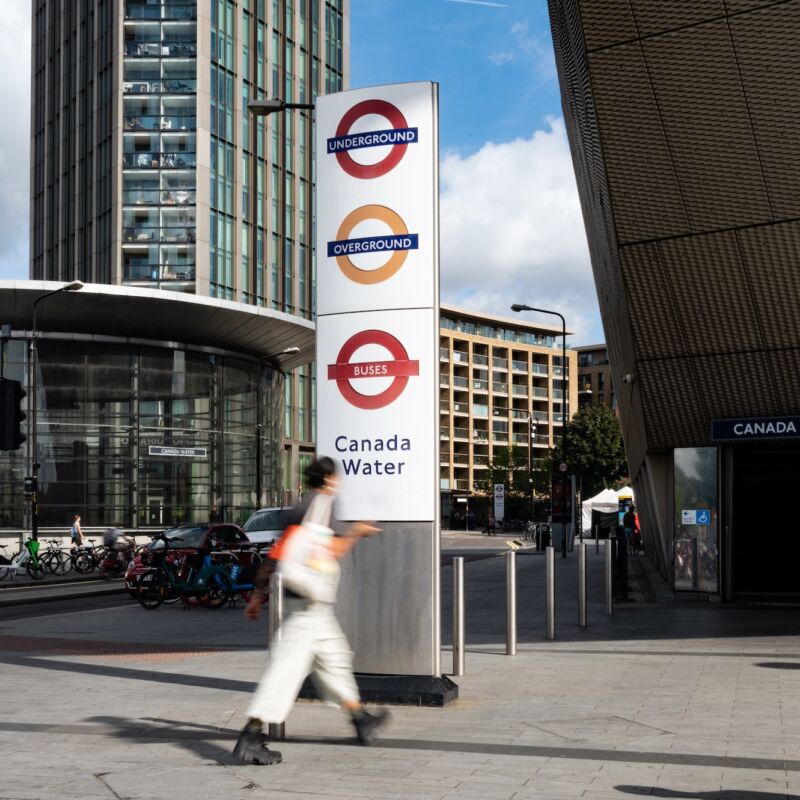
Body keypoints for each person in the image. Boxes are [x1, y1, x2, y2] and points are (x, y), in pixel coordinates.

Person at [233, 456, 390, 766]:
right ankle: (251, 736)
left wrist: (257, 595)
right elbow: (326, 550)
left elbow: (278, 553)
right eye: (337, 477)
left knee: (335, 659)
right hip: (306, 607)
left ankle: (359, 718)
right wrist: (356, 533)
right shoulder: (321, 506)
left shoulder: (304, 505)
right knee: (284, 672)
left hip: (313, 609)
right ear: (330, 479)